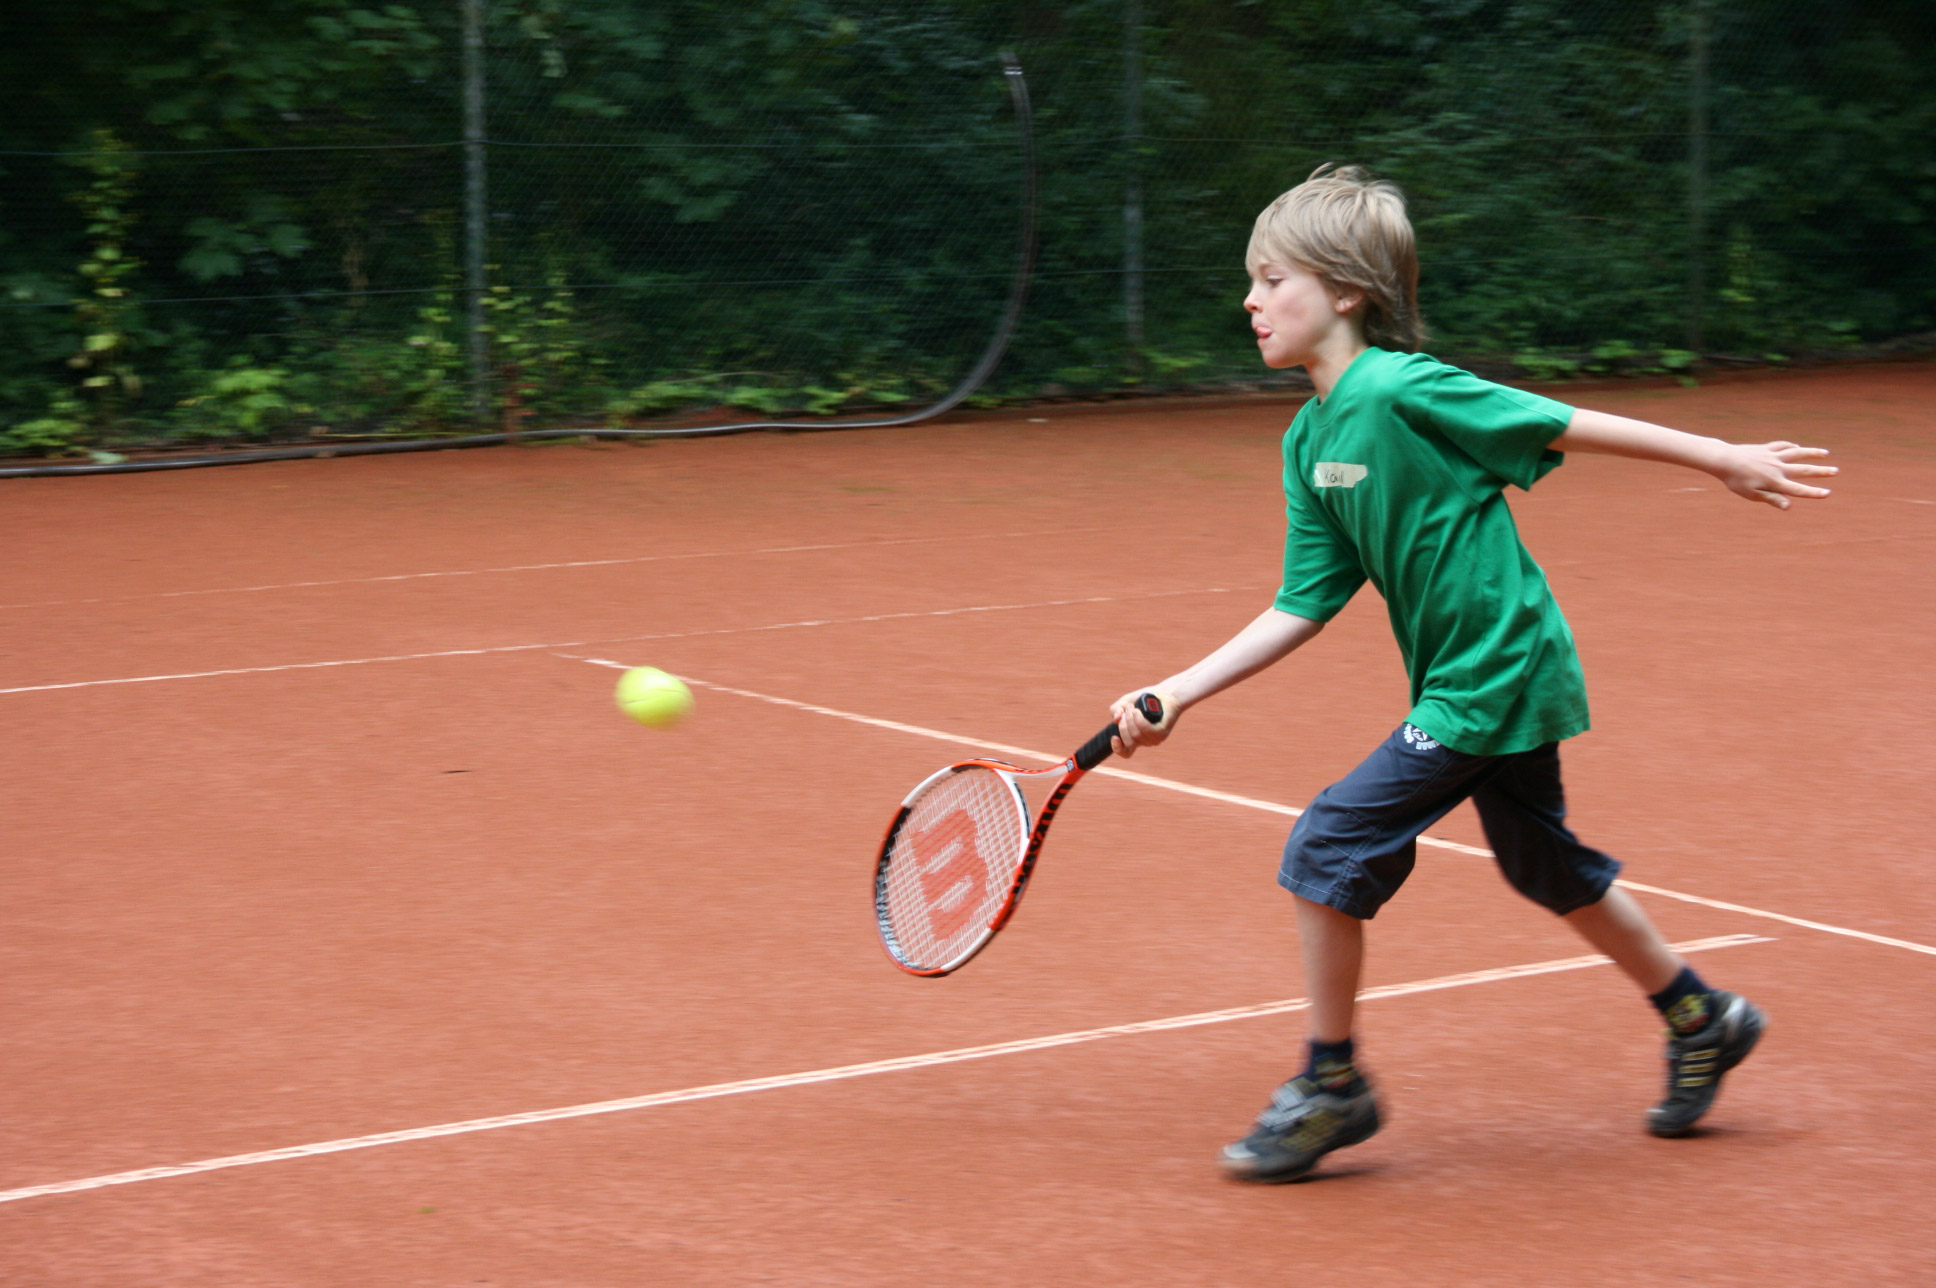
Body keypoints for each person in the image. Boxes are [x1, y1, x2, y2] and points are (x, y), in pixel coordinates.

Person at [1107, 164, 1835, 1184]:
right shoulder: (1309, 439)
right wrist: (1175, 688)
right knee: (1542, 863)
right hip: (1471, 675)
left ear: (1345, 292)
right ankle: (1702, 1018)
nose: (1251, 300)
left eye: (1273, 279)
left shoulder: (1405, 388)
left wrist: (1718, 453)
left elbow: (1559, 422)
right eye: (1252, 282)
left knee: (1330, 839)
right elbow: (1303, 602)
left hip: (1493, 671)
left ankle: (1331, 1084)